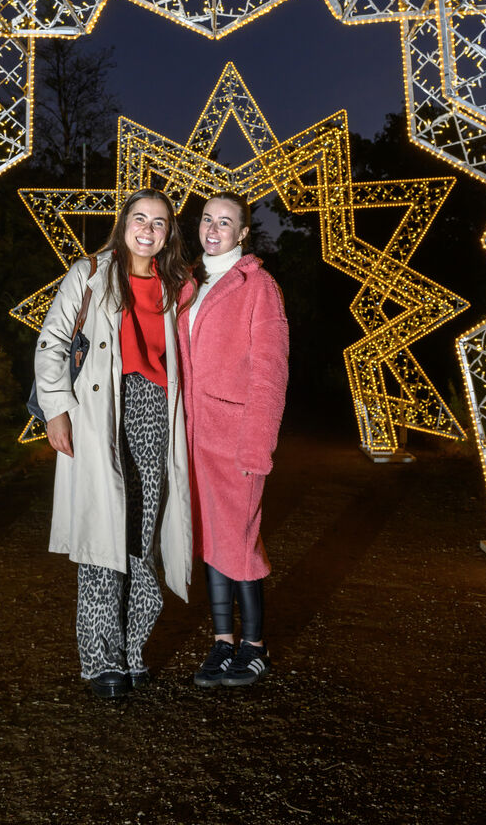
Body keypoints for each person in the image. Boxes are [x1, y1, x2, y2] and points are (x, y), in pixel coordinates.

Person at [35, 188, 192, 699]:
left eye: (160, 222)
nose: (148, 228)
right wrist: (56, 409)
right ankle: (101, 660)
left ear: (168, 234)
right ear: (123, 223)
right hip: (99, 411)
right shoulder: (89, 273)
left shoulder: (177, 284)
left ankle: (132, 650)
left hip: (154, 411)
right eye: (140, 218)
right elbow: (53, 340)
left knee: (142, 536)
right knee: (103, 536)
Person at [177, 192, 288, 688]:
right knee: (210, 539)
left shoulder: (258, 286)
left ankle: (255, 647)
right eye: (207, 219)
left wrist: (257, 446)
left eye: (226, 222)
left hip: (236, 436)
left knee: (240, 542)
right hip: (193, 438)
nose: (214, 229)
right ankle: (223, 643)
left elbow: (270, 372)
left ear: (243, 233)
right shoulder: (187, 285)